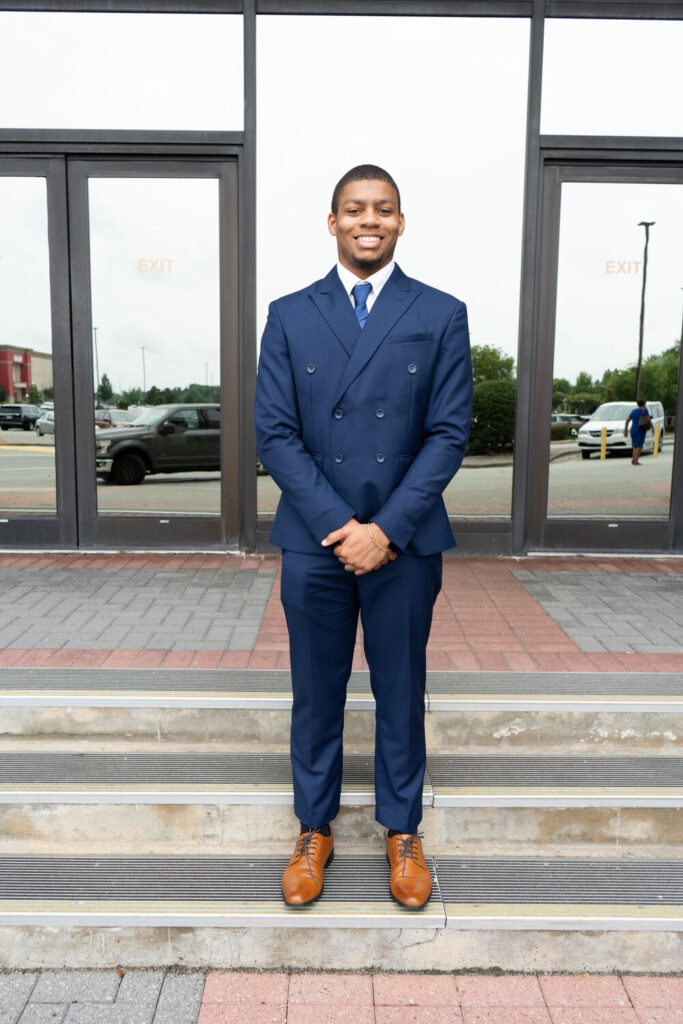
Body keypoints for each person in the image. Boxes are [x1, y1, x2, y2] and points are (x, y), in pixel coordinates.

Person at [254, 164, 473, 910]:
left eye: (382, 209)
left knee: (400, 691)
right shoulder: (289, 314)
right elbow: (274, 433)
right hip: (315, 539)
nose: (368, 220)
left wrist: (384, 531)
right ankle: (312, 828)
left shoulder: (440, 312)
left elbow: (448, 434)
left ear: (400, 222)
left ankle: (402, 832)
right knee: (314, 692)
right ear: (333, 222)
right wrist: (342, 527)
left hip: (403, 541)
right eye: (354, 209)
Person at [624, 398, 651, 465]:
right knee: (639, 446)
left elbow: (627, 420)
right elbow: (648, 419)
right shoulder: (645, 410)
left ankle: (633, 459)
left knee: (635, 446)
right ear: (644, 404)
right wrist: (652, 427)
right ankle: (636, 461)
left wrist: (625, 430)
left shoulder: (633, 411)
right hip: (641, 429)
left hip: (633, 429)